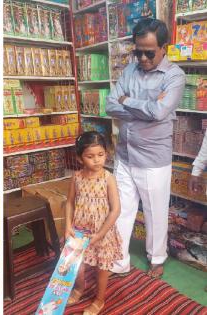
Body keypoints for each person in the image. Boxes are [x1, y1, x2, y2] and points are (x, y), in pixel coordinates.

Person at [106, 18, 186, 279]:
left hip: (153, 158)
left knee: (155, 211)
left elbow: (160, 111)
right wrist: (145, 108)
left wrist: (127, 101)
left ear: (164, 47)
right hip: (125, 153)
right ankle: (119, 261)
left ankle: (157, 257)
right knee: (121, 209)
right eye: (137, 50)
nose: (142, 57)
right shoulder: (130, 70)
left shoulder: (174, 76)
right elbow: (110, 105)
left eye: (148, 52)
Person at [65, 131, 122, 315]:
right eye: (90, 156)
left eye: (101, 155)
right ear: (80, 158)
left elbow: (116, 209)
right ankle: (79, 288)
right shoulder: (77, 177)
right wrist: (67, 226)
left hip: (102, 232)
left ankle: (99, 300)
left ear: (106, 153)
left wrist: (100, 234)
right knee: (77, 265)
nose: (97, 160)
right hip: (80, 230)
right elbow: (70, 202)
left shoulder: (108, 178)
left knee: (101, 267)